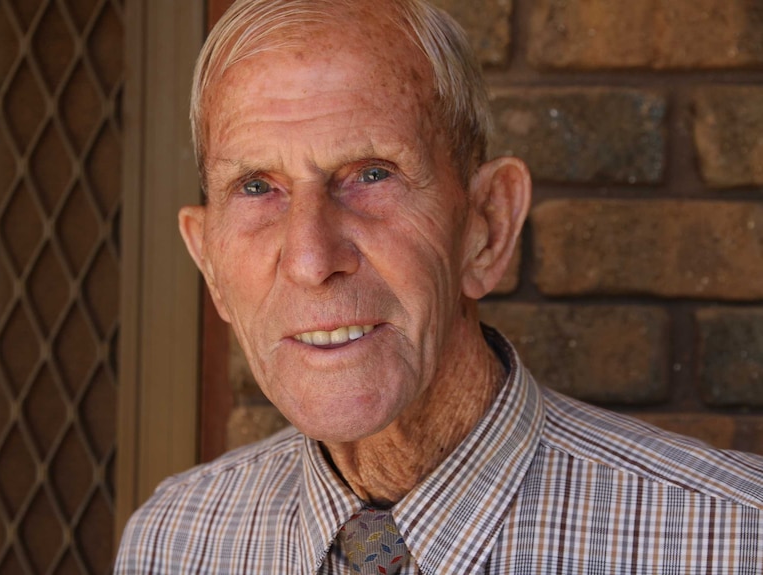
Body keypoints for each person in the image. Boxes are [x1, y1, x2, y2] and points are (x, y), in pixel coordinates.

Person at [115, 0, 763, 573]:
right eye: (257, 186)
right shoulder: (174, 539)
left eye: (371, 174)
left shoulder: (732, 540)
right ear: (209, 263)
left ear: (486, 227)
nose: (311, 259)